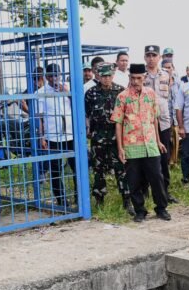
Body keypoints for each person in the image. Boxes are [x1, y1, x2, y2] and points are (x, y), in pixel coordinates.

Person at [111, 63, 171, 222]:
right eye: (133, 78)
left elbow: (155, 119)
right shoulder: (122, 97)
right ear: (129, 77)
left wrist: (158, 141)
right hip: (131, 145)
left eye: (139, 78)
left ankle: (161, 208)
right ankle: (140, 211)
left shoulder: (151, 94)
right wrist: (120, 148)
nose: (136, 81)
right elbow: (118, 122)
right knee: (134, 180)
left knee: (157, 178)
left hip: (150, 144)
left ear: (144, 77)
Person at [85, 63, 132, 213]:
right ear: (98, 75)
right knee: (98, 169)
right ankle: (99, 200)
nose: (106, 79)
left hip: (116, 137)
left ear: (113, 75)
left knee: (121, 169)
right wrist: (89, 130)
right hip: (98, 137)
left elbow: (127, 114)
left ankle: (127, 200)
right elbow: (86, 114)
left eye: (109, 76)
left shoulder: (120, 91)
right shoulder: (91, 93)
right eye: (103, 76)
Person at [37, 63, 76, 206]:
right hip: (52, 136)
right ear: (46, 77)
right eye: (51, 76)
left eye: (57, 75)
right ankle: (61, 200)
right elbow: (39, 118)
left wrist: (68, 93)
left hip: (71, 135)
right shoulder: (41, 93)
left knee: (76, 167)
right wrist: (42, 137)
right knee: (55, 170)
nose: (55, 78)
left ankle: (79, 197)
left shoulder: (68, 88)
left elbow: (78, 107)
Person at [143, 45, 177, 202]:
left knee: (164, 157)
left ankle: (165, 192)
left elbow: (169, 99)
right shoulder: (140, 76)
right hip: (145, 123)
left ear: (159, 57)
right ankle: (145, 191)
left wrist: (173, 121)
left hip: (163, 121)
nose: (151, 58)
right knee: (145, 157)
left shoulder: (166, 75)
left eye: (154, 55)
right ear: (145, 57)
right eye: (148, 55)